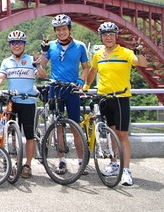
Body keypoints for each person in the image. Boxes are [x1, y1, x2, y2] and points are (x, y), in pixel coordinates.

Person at [85, 22, 147, 186]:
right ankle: (114, 164)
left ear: (116, 36)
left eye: (111, 34)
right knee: (110, 133)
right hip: (104, 98)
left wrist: (138, 52)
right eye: (105, 35)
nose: (108, 37)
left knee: (122, 135)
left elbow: (141, 63)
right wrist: (86, 87)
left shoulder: (125, 52)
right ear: (101, 37)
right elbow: (92, 71)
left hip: (121, 98)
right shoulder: (98, 54)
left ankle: (126, 171)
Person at [0, 30, 46, 179]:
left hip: (28, 102)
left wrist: (38, 66)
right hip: (12, 102)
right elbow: (1, 77)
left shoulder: (31, 59)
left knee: (29, 135)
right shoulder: (6, 62)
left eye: (19, 42)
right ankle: (14, 160)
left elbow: (43, 76)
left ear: (24, 44)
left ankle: (27, 165)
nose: (16, 45)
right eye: (13, 43)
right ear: (10, 45)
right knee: (11, 133)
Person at [39, 14, 89, 176]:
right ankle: (62, 160)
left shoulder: (80, 46)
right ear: (55, 31)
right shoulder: (51, 46)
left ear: (69, 29)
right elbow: (41, 69)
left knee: (76, 126)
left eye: (64, 29)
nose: (61, 32)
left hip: (72, 89)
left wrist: (81, 81)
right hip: (55, 89)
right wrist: (43, 53)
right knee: (58, 126)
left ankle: (81, 161)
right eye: (58, 30)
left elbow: (86, 67)